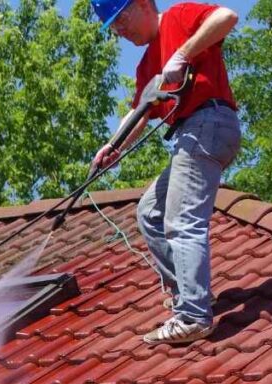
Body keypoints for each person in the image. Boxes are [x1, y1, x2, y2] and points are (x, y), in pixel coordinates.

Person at [90, 0, 241, 345]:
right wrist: (113, 146)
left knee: (182, 220)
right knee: (150, 212)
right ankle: (188, 292)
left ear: (143, 4)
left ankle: (193, 315)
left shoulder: (179, 17)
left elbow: (226, 17)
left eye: (121, 20)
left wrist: (184, 53)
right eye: (113, 28)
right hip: (194, 132)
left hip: (208, 122)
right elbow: (140, 113)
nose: (120, 32)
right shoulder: (146, 67)